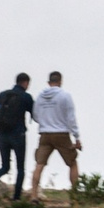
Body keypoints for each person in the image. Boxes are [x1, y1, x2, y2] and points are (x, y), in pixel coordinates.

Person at [0, 72, 36, 203]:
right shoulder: (26, 97)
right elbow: (35, 114)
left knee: (5, 166)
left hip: (3, 135)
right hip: (18, 135)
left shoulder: (2, 95)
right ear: (26, 83)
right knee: (20, 168)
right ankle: (16, 197)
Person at [31, 71, 81, 199]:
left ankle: (34, 195)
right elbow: (71, 118)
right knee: (72, 162)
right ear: (60, 82)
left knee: (39, 164)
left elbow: (35, 115)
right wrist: (77, 137)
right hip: (61, 133)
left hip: (44, 134)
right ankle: (75, 195)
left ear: (49, 82)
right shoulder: (65, 96)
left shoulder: (40, 96)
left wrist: (45, 122)